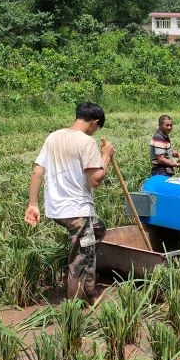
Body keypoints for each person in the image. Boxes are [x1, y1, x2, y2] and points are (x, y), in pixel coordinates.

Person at [24, 102, 115, 304]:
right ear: (95, 123)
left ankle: (88, 286)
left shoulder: (53, 137)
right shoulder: (86, 142)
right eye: (96, 129)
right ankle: (76, 304)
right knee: (80, 258)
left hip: (57, 209)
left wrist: (33, 204)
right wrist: (106, 156)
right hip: (77, 210)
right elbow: (95, 180)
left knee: (97, 230)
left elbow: (37, 171)